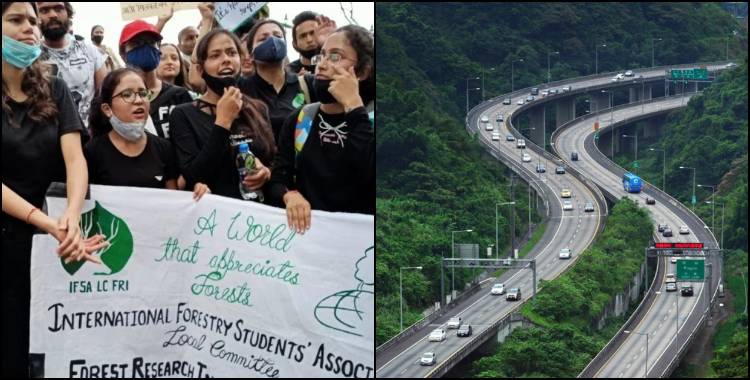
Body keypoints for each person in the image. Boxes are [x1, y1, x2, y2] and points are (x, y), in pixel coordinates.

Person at [2, 2, 106, 376]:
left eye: (32, 20)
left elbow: (75, 159)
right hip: (20, 233)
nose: (29, 28)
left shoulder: (54, 87)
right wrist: (47, 223)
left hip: (49, 242)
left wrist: (72, 217)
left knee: (42, 349)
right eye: (15, 20)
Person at [269, 25, 375, 233]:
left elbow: (369, 176)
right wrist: (290, 196)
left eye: (335, 57)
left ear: (362, 71)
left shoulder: (370, 122)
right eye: (322, 56)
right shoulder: (300, 119)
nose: (323, 65)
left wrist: (354, 106)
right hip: (312, 241)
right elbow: (277, 179)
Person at [170, 28, 275, 200]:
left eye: (231, 53)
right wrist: (223, 122)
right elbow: (192, 177)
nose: (226, 59)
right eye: (215, 55)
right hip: (217, 219)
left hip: (261, 218)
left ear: (240, 61)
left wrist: (267, 172)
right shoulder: (183, 115)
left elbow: (274, 160)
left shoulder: (259, 108)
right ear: (200, 68)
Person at [85, 68, 209, 199]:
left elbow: (173, 202)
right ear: (107, 109)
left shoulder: (164, 148)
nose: (139, 100)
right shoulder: (93, 152)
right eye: (127, 95)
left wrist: (198, 192)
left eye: (143, 93)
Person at [37, 1, 108, 127]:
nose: (53, 15)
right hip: (48, 139)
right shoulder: (30, 56)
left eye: (58, 9)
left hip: (89, 136)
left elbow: (105, 96)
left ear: (68, 13)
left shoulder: (89, 51)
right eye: (44, 10)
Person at [119, 19, 192, 139]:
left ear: (158, 50)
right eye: (137, 44)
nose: (145, 47)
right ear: (123, 54)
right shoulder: (118, 101)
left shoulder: (179, 95)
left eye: (150, 42)